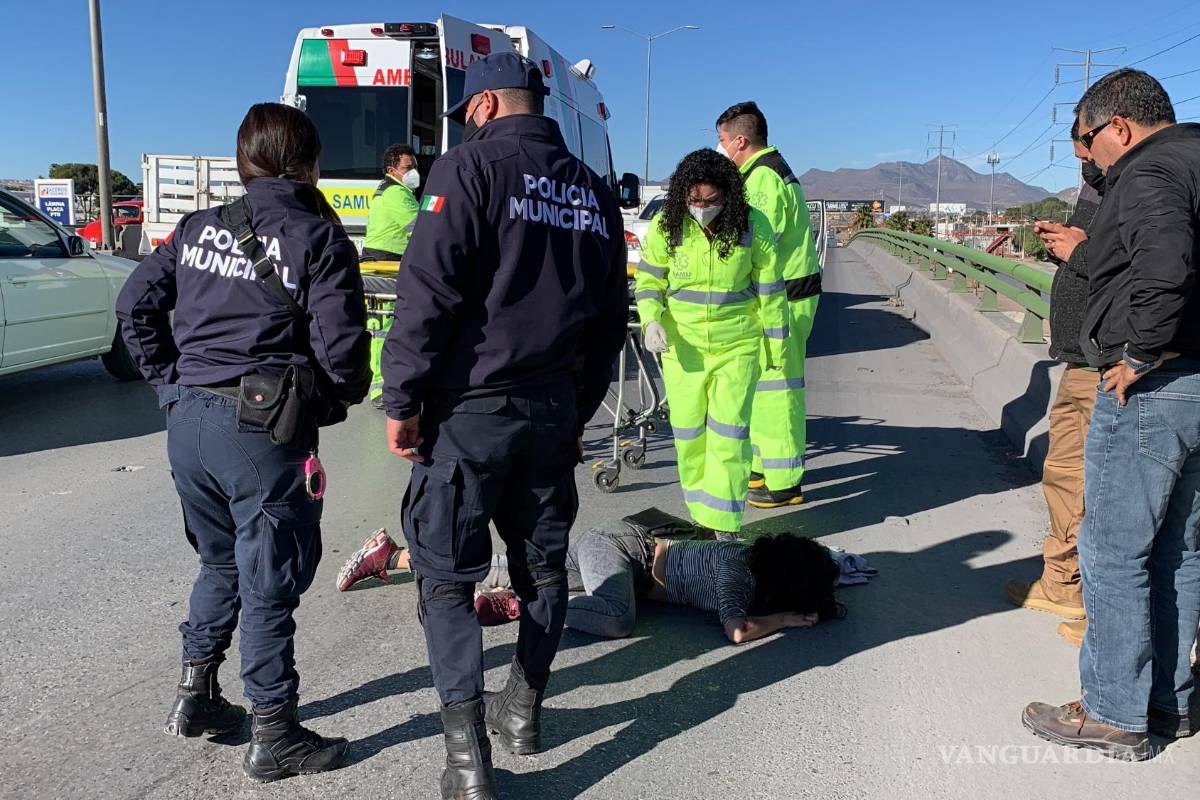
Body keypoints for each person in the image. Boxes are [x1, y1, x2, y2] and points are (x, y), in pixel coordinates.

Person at [380, 52, 627, 800]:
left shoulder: (468, 168)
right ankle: (521, 709)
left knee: (448, 580)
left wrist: (402, 400)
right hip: (552, 410)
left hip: (469, 414)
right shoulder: (592, 190)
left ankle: (467, 761)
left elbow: (427, 294)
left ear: (483, 106)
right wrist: (576, 409)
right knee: (544, 572)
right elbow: (610, 323)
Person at [116, 103, 371, 781]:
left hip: (189, 425)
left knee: (222, 563)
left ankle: (194, 697)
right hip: (261, 431)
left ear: (244, 161)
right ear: (308, 162)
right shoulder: (318, 236)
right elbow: (345, 356)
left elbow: (134, 305)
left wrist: (170, 385)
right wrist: (339, 392)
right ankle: (275, 732)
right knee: (269, 580)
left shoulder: (199, 227)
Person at [1022, 69, 1200, 761]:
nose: (1088, 158)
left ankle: (1114, 711)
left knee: (1112, 550)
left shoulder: (1147, 170)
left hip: (1158, 385)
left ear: (1117, 127)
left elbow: (1165, 264)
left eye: (1089, 141)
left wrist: (1141, 353)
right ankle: (1171, 701)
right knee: (1179, 549)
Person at [635, 149, 788, 536]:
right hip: (682, 350)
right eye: (694, 200)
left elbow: (771, 293)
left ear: (729, 196)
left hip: (737, 346)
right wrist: (651, 320)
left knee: (730, 435)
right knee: (689, 436)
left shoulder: (753, 227)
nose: (701, 208)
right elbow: (650, 281)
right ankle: (701, 515)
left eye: (711, 200)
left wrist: (775, 347)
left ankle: (724, 525)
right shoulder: (666, 228)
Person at [1004, 119, 1107, 647]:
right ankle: (1061, 582)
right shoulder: (1097, 186)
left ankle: (1107, 610)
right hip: (1081, 359)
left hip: (1107, 362)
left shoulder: (1141, 186)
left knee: (1098, 489)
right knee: (1065, 476)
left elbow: (1141, 264)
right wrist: (1064, 249)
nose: (1082, 163)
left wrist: (1082, 251)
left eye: (1086, 151)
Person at [716, 101, 820, 508]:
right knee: (761, 386)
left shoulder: (761, 180)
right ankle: (763, 467)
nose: (722, 149)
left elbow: (754, 244)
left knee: (778, 389)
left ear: (740, 140)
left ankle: (784, 483)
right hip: (782, 298)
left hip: (783, 301)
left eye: (723, 141)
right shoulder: (767, 172)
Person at [362, 143, 420, 262]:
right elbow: (418, 226)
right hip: (390, 255)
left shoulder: (386, 187)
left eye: (415, 167)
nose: (414, 172)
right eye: (408, 168)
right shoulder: (396, 191)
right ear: (391, 170)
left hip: (377, 253)